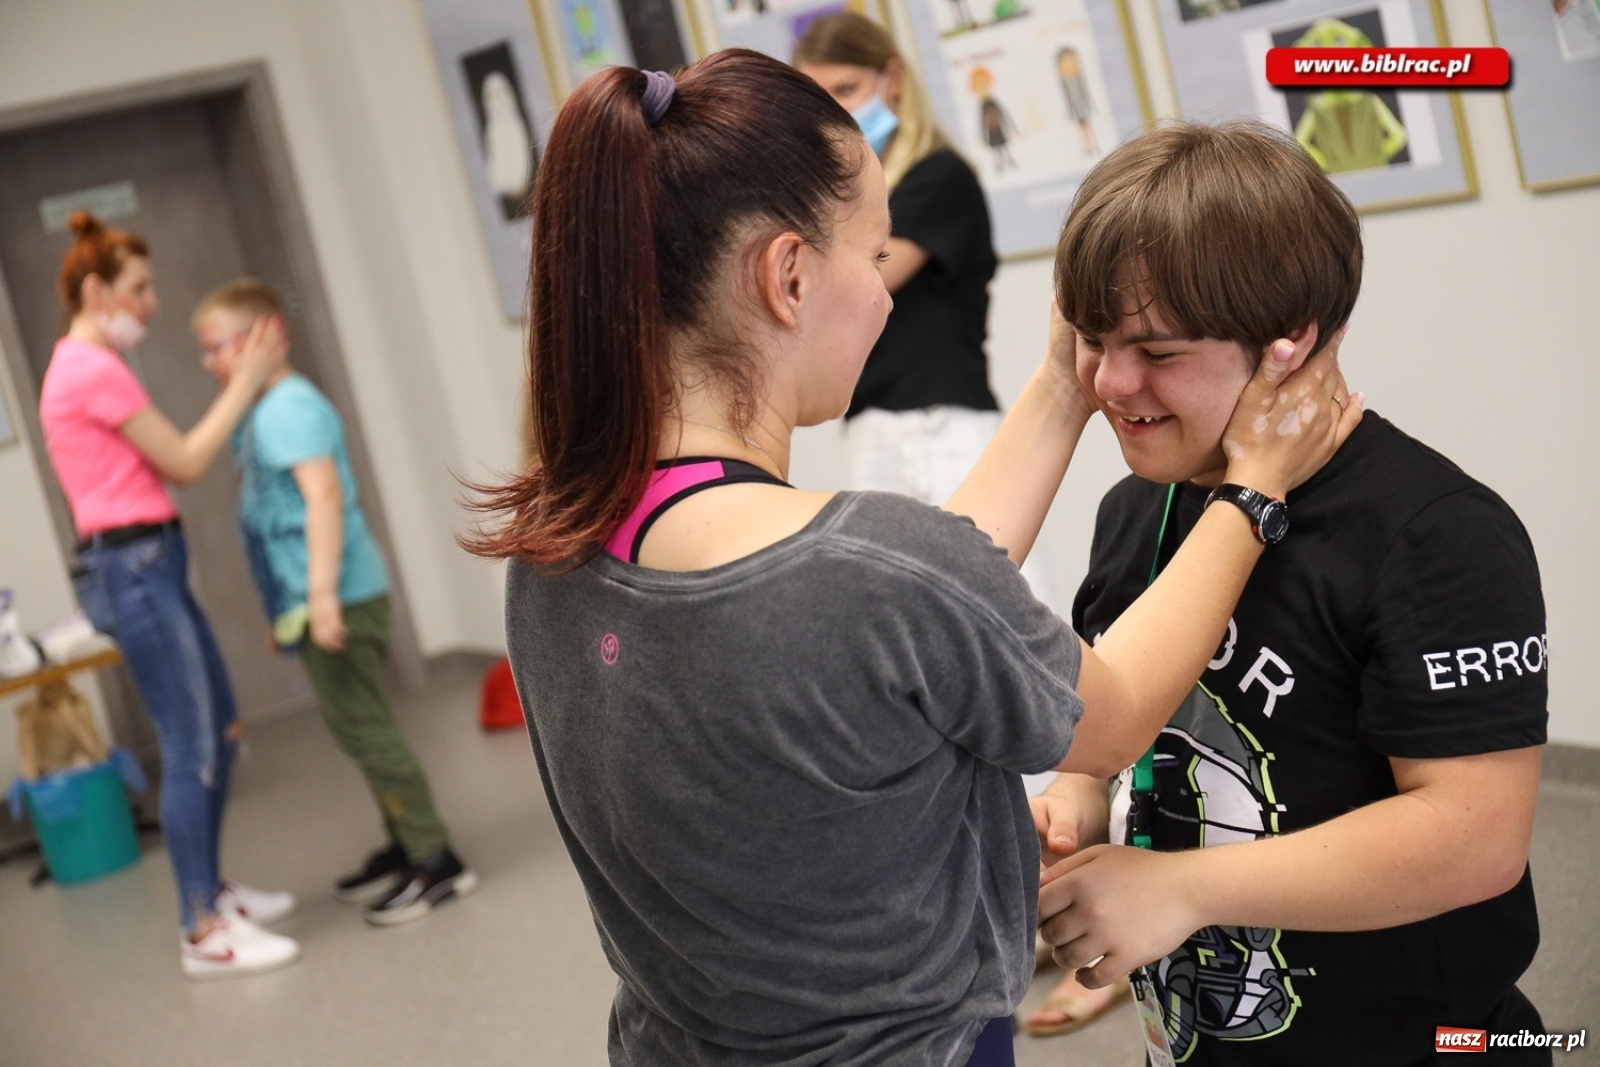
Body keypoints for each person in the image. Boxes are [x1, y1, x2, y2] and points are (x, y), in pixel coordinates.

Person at [467, 50, 1358, 1066]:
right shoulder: (870, 569)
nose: (886, 296)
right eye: (874, 253)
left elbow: (923, 600)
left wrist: (1065, 383)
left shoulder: (556, 546)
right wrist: (1254, 491)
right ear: (788, 275)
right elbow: (1101, 721)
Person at [1033, 120, 1548, 1066]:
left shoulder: (1432, 529)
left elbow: (1475, 838)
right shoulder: (1131, 510)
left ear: (1290, 341)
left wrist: (1182, 888)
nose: (1111, 381)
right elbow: (1123, 710)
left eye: (1158, 350)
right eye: (1093, 340)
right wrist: (1078, 793)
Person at [39, 212, 300, 979]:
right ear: (96, 290)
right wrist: (248, 379)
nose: (152, 303)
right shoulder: (88, 367)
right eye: (139, 288)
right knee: (192, 744)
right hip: (134, 568)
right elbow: (184, 458)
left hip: (150, 560)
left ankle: (210, 889)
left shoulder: (90, 363)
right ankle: (201, 928)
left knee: (217, 729)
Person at [191, 278, 477, 926]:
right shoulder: (262, 412)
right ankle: (406, 842)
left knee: (367, 730)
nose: (210, 363)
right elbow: (270, 516)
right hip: (314, 598)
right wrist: (285, 607)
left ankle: (436, 859)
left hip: (340, 596)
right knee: (355, 728)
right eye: (203, 353)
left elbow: (322, 499)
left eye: (220, 348)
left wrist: (320, 598)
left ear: (268, 336)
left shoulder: (288, 409)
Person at [794, 15, 1052, 605]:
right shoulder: (848, 205)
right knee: (894, 610)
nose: (834, 114)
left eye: (847, 91)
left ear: (894, 79)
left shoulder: (937, 179)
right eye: (817, 101)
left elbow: (851, 288)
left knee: (1006, 603)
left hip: (944, 424)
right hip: (869, 426)